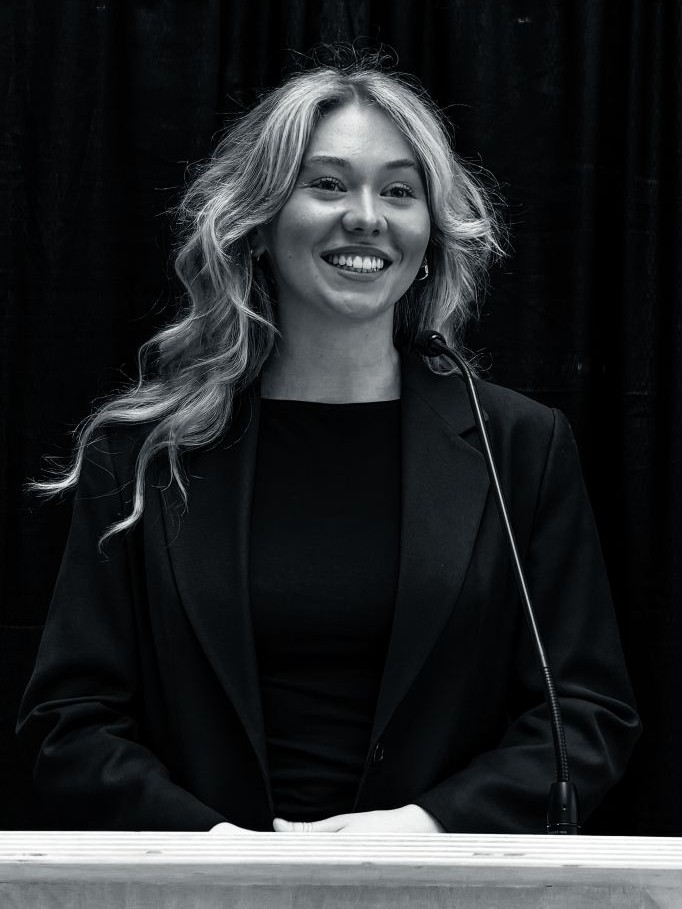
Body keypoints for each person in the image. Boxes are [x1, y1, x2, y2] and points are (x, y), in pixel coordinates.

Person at [17, 58, 641, 834]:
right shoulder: (141, 452)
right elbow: (69, 723)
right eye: (328, 184)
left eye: (400, 191)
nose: (368, 216)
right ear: (259, 220)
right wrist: (215, 850)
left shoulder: (519, 445)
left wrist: (423, 826)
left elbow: (584, 714)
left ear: (429, 235)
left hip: (439, 891)